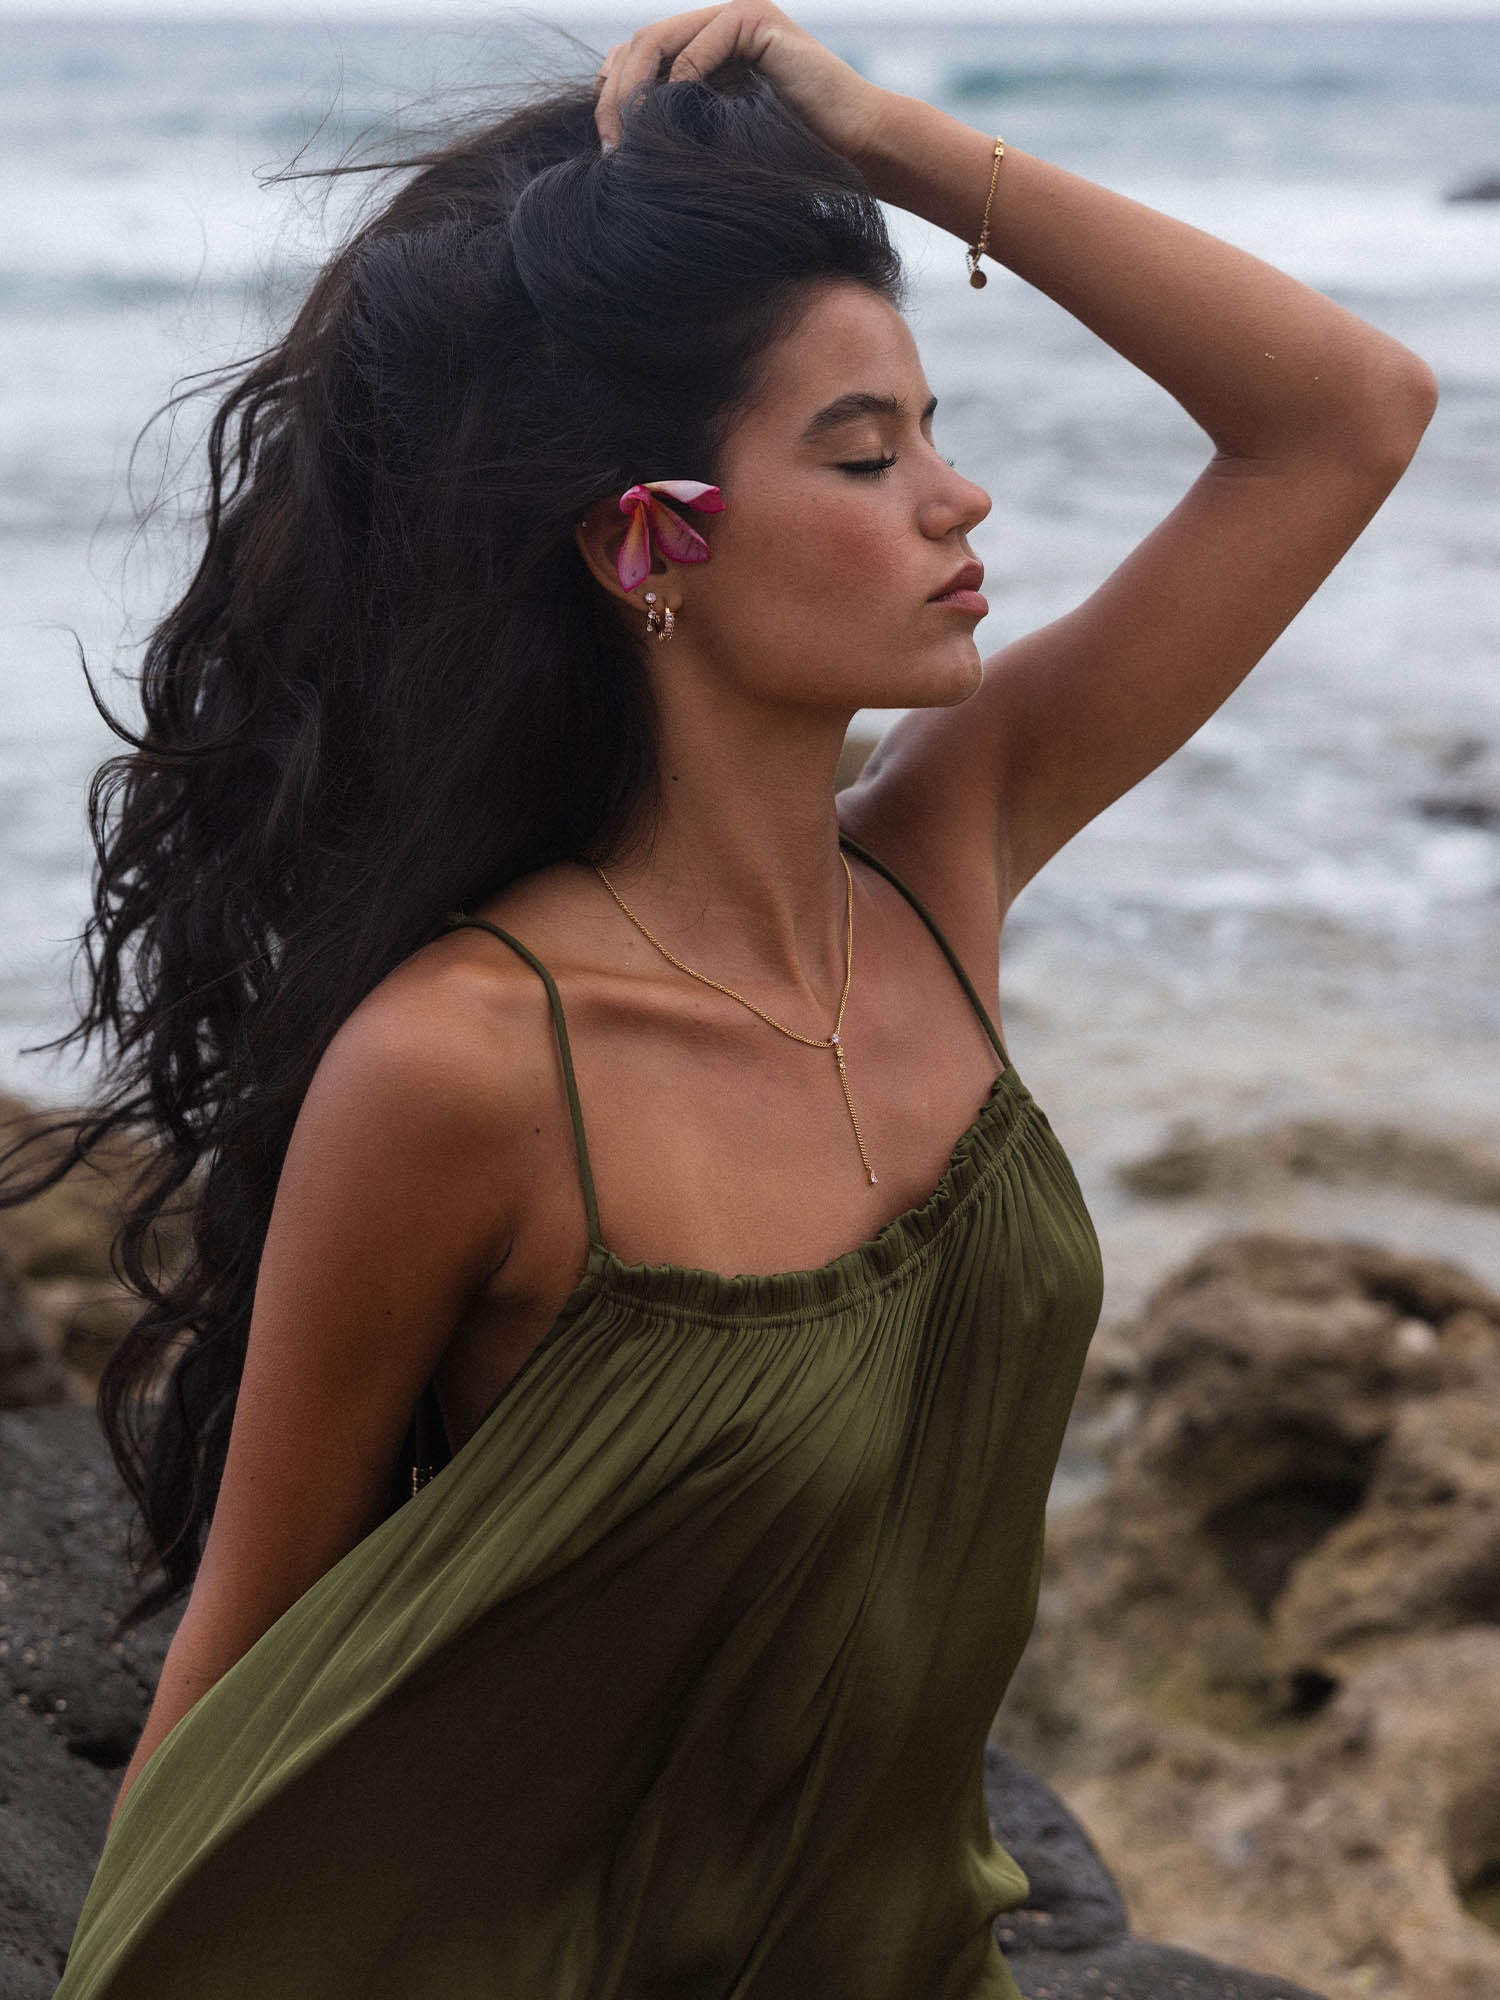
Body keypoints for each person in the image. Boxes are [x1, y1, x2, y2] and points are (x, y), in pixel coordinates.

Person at [14, 3, 1434, 1994]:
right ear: (646, 541)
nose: (959, 500)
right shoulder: (463, 1065)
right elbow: (251, 1650)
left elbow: (1347, 414)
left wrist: (884, 140)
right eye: (864, 450)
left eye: (934, 427)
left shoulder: (940, 863)